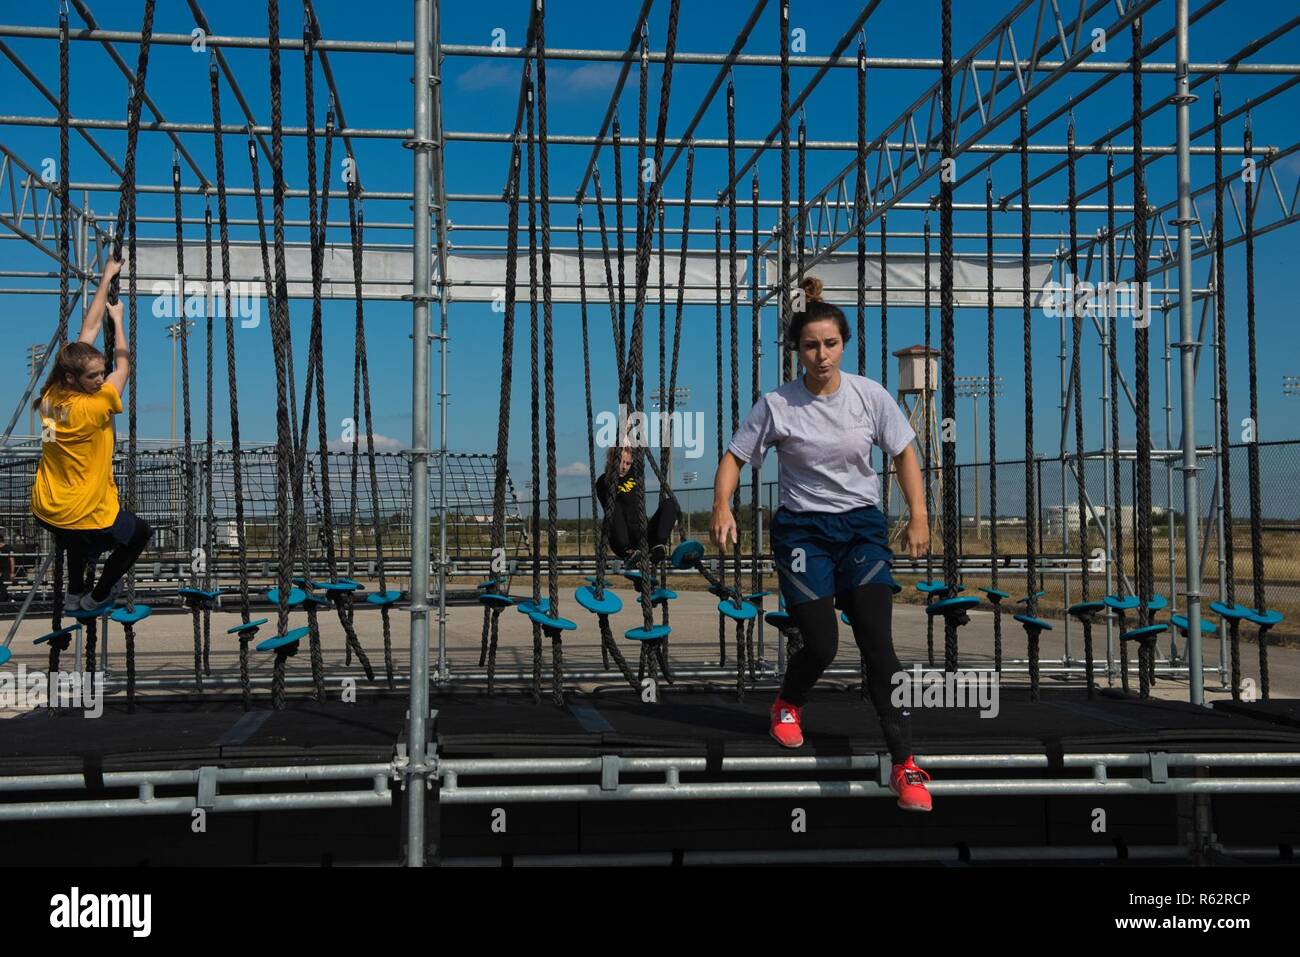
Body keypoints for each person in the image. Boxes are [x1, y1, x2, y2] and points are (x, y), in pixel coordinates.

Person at [710, 275, 934, 812]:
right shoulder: (777, 404)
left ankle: (905, 766)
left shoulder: (871, 396)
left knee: (879, 647)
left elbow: (904, 452)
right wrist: (722, 506)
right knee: (824, 645)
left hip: (861, 529)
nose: (821, 354)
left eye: (830, 343)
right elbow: (735, 457)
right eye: (811, 345)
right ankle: (787, 704)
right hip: (803, 532)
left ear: (843, 344)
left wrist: (920, 516)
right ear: (798, 351)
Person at [31, 255, 153, 614]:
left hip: (47, 507)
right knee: (139, 535)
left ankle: (74, 593)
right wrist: (120, 320)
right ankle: (97, 596)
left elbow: (87, 330)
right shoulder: (95, 405)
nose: (100, 379)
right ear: (74, 378)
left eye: (102, 373)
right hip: (83, 511)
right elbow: (125, 364)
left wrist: (106, 277)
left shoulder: (52, 396)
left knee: (75, 541)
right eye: (94, 376)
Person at [595, 445, 680, 566]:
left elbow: (636, 447)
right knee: (613, 505)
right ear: (612, 459)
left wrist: (629, 428)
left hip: (642, 537)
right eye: (621, 462)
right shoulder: (603, 482)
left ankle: (659, 546)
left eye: (628, 463)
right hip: (621, 539)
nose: (624, 467)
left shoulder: (634, 474)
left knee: (670, 503)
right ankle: (629, 552)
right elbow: (608, 505)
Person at [0, 532, 13, 604]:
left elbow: (12, 560)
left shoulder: (8, 548)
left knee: (3, 584)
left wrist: (12, 572)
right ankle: (6, 597)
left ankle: (4, 599)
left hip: (5, 570)